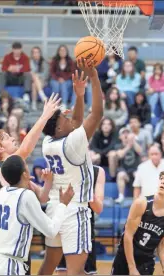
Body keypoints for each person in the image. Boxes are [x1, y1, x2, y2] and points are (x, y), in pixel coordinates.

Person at [39, 59, 103, 275]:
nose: (67, 115)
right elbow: (97, 114)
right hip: (75, 210)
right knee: (76, 273)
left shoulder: (48, 143)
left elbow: (74, 124)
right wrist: (94, 78)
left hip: (54, 210)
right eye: (62, 116)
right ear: (58, 126)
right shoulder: (72, 143)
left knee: (48, 267)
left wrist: (79, 96)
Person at [0, 93, 61, 273]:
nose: (12, 138)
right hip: (4, 242)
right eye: (6, 137)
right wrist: (45, 116)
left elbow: (42, 198)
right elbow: (27, 148)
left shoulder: (17, 176)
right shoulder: (6, 167)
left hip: (17, 239)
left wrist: (48, 182)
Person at [0, 155, 74, 275]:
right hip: (10, 265)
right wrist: (63, 205)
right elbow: (51, 230)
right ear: (24, 174)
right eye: (26, 166)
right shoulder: (26, 196)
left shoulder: (2, 192)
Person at [111, 171, 164, 275]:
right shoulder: (141, 203)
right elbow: (128, 235)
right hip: (125, 257)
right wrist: (131, 267)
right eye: (161, 179)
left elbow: (162, 243)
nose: (163, 182)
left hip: (146, 262)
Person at [55, 165, 105, 275]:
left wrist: (86, 190)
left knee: (86, 272)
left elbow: (98, 208)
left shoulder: (97, 171)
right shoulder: (61, 168)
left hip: (85, 231)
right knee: (63, 272)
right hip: (65, 229)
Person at [113, 127, 142, 203]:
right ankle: (121, 196)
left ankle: (140, 197)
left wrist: (133, 142)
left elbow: (140, 152)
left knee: (138, 174)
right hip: (124, 171)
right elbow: (120, 155)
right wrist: (129, 145)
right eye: (123, 133)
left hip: (134, 170)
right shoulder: (117, 146)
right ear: (120, 137)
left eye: (127, 133)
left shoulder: (135, 144)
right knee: (120, 175)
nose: (126, 135)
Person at [50, 45, 75, 109]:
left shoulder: (70, 60)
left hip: (67, 80)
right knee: (56, 86)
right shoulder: (54, 60)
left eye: (64, 50)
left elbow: (72, 72)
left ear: (66, 52)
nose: (62, 52)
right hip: (55, 79)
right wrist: (58, 78)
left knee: (64, 85)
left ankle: (64, 103)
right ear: (58, 52)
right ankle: (55, 104)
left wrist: (64, 78)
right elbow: (52, 72)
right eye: (61, 50)